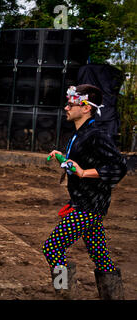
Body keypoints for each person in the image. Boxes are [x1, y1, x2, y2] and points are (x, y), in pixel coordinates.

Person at [44, 84, 127, 299]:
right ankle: (114, 295)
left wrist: (83, 172)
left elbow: (119, 166)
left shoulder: (96, 134)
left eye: (71, 104)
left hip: (88, 205)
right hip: (86, 203)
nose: (66, 107)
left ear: (86, 107)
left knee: (52, 248)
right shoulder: (82, 133)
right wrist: (63, 158)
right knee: (100, 255)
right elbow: (78, 162)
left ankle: (65, 293)